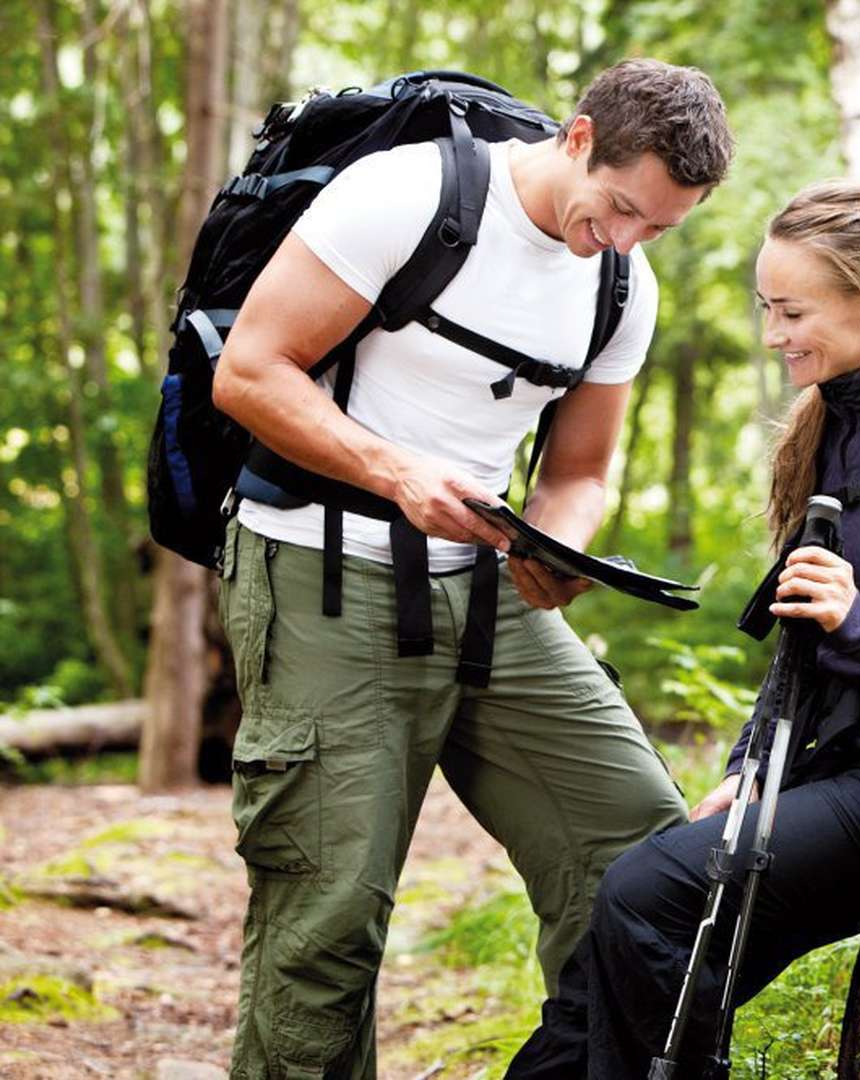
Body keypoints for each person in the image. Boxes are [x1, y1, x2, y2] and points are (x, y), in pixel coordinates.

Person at [210, 60, 734, 1077]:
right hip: (320, 571)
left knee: (641, 855)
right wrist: (394, 469)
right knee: (328, 915)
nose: (626, 239)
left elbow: (580, 469)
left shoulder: (623, 284)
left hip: (488, 591)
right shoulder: (406, 196)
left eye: (660, 227)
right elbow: (250, 372)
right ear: (578, 141)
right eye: (622, 208)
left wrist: (555, 543)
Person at [506, 181, 860, 1076]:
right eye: (768, 308)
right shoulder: (841, 420)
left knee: (649, 895)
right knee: (622, 960)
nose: (774, 335)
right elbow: (804, 644)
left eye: (793, 310)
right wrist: (747, 767)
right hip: (848, 767)